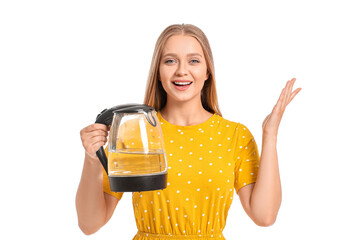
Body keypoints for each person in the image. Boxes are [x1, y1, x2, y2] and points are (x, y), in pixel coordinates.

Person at [76, 23, 301, 239]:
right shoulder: (137, 132)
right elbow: (90, 224)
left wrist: (269, 134)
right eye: (170, 61)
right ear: (158, 72)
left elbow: (264, 216)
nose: (182, 71)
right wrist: (91, 159)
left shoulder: (235, 136)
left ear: (207, 72)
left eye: (193, 60)